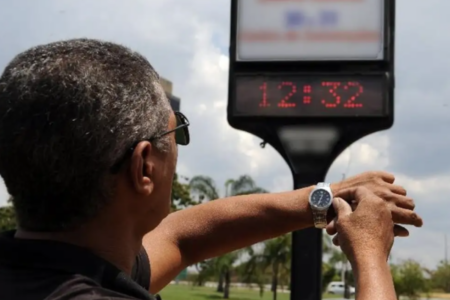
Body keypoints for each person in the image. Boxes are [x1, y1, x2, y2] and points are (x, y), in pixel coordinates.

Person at [0, 39, 422, 300]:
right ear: (144, 165)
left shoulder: (59, 266)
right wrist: (370, 254)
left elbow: (184, 237)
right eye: (177, 133)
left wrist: (329, 195)